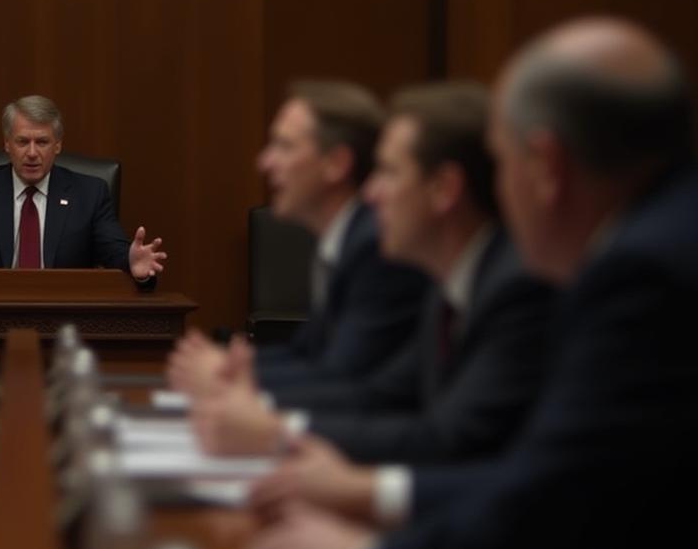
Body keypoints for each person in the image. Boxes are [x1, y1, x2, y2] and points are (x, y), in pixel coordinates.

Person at [240, 18, 698, 549]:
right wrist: (363, 489)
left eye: (501, 162)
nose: (498, 194)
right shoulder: (663, 240)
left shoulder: (642, 279)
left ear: (546, 166)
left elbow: (548, 497)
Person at [184, 83, 555, 464]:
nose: (373, 193)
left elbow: (451, 438)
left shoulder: (516, 289)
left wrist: (277, 431)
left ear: (444, 188)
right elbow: (384, 394)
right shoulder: (450, 286)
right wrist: (253, 398)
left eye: (389, 172)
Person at [169, 81, 427, 394]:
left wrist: (227, 374)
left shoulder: (376, 247)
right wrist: (235, 364)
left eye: (284, 146)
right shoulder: (341, 241)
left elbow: (342, 379)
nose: (265, 162)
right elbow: (308, 353)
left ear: (336, 164)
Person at [0, 95, 167, 283]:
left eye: (43, 142)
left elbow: (114, 252)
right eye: (23, 141)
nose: (32, 153)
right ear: (7, 144)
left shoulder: (90, 193)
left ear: (58, 145)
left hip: (67, 320)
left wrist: (132, 262)